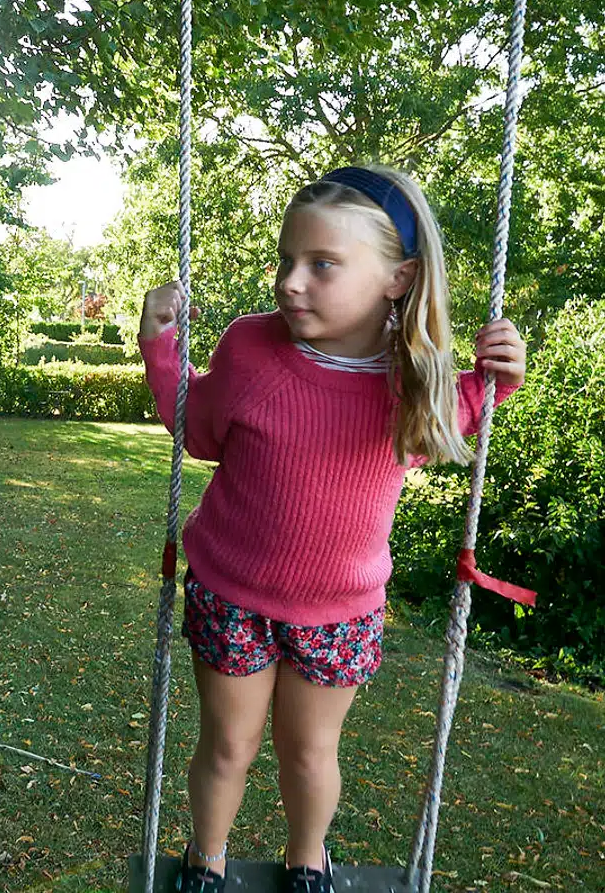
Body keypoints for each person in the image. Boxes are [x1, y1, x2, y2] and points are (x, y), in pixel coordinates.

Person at [137, 166, 527, 893]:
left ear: (397, 278)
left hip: (340, 612)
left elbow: (466, 411)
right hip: (231, 592)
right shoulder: (252, 348)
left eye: (322, 265)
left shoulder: (416, 380)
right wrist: (161, 349)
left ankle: (307, 858)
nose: (291, 281)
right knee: (229, 743)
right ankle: (206, 858)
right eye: (287, 259)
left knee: (310, 754)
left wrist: (500, 376)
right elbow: (199, 428)